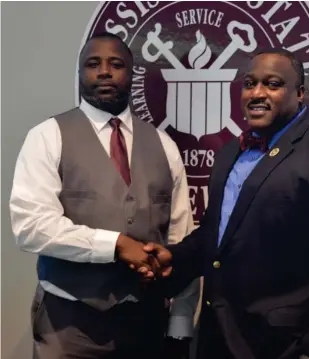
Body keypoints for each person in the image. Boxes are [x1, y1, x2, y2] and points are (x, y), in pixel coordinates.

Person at [141, 48, 309, 359]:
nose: (256, 93)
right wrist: (173, 259)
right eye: (249, 83)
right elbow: (217, 235)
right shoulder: (229, 153)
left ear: (299, 94)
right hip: (219, 339)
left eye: (272, 84)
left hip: (286, 347)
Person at [9, 32, 199, 359]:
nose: (105, 72)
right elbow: (31, 226)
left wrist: (180, 319)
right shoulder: (47, 137)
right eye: (93, 64)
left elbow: (182, 237)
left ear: (132, 74)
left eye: (116, 64)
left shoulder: (164, 146)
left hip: (146, 321)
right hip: (69, 325)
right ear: (80, 74)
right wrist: (115, 245)